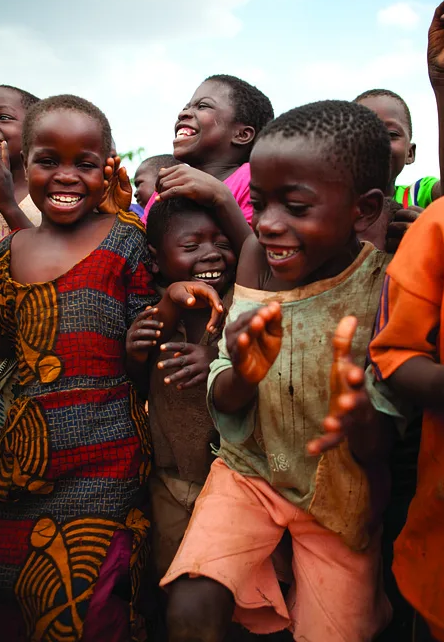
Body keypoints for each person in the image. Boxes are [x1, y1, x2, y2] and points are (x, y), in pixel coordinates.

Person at [0, 93, 221, 642]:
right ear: (24, 164)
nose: (66, 176)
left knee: (90, 607)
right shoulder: (7, 252)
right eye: (48, 160)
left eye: (84, 163)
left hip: (105, 455)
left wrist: (165, 312)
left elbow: (143, 354)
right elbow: (6, 341)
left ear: (105, 165)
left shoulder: (124, 241)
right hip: (24, 459)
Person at [161, 100, 395, 642]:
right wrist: (242, 372)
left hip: (340, 495)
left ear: (364, 210)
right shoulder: (256, 265)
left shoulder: (385, 287)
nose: (267, 225)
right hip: (250, 471)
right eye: (260, 203)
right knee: (192, 605)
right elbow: (227, 392)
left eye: (295, 206)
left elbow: (382, 444)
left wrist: (359, 414)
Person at [369, 0, 444, 642]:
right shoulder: (330, 209)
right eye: (360, 129)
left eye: (389, 133)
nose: (375, 142)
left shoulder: (422, 200)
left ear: (413, 149)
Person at [129, 197, 237, 580]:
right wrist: (135, 349)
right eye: (192, 246)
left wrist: (216, 361)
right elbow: (138, 384)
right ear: (156, 260)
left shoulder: (240, 307)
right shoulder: (153, 315)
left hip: (237, 484)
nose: (211, 255)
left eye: (223, 244)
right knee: (174, 579)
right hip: (172, 482)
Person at [0, 84, 42, 483]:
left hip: (33, 344)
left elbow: (48, 259)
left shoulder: (48, 194)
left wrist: (9, 207)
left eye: (3, 117)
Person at [141, 74, 274, 255]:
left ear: (242, 134)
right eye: (186, 107)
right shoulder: (171, 183)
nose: (183, 113)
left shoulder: (252, 178)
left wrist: (221, 198)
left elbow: (264, 259)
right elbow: (142, 252)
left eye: (202, 106)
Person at [354, 87, 439, 209]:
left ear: (410, 153)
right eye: (364, 134)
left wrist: (425, 224)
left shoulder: (418, 194)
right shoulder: (333, 203)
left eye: (391, 134)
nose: (377, 143)